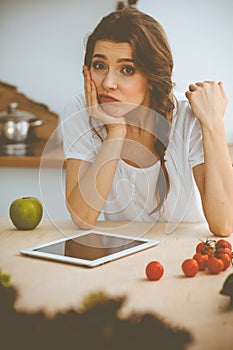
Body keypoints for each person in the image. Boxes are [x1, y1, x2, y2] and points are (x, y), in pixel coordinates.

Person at [62, 7, 233, 236]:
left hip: (181, 251)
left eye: (127, 70)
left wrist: (213, 123)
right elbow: (82, 217)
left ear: (151, 78)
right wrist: (116, 132)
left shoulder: (187, 117)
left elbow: (224, 225)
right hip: (122, 250)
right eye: (100, 66)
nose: (108, 83)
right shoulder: (82, 111)